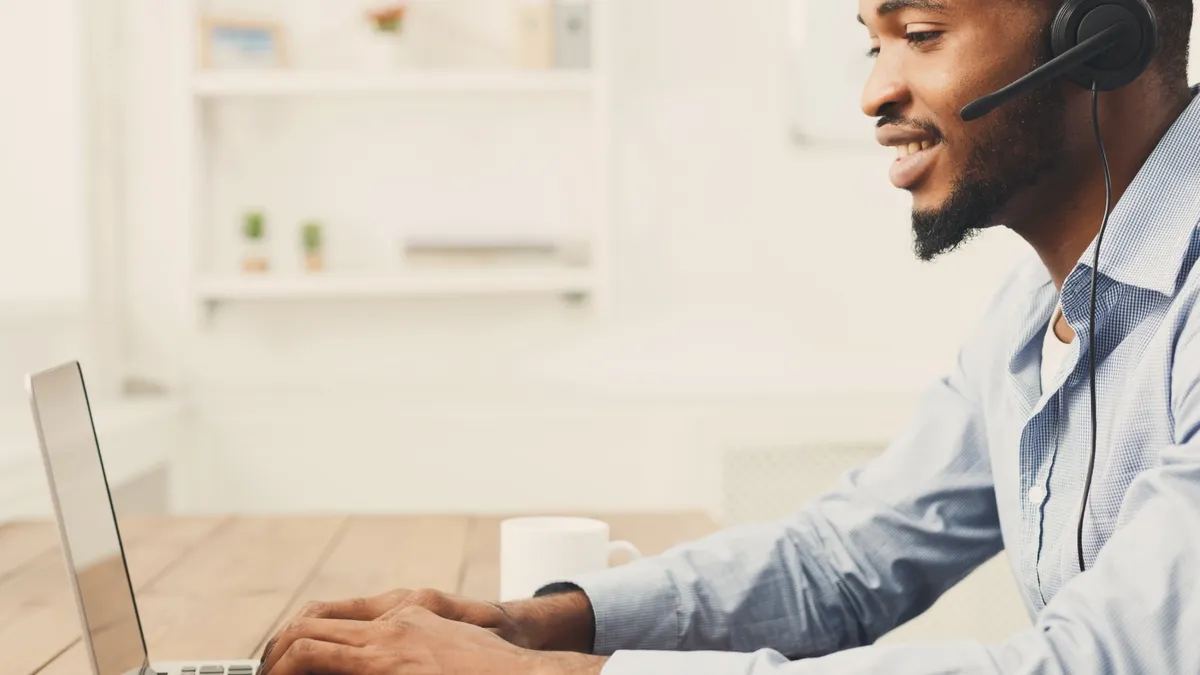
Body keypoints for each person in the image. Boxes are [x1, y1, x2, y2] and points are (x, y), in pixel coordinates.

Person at [259, 0, 1200, 672]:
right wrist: (534, 624)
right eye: (871, 45)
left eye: (919, 35)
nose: (876, 93)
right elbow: (840, 563)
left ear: (1099, 38)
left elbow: (1105, 662)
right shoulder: (1031, 314)